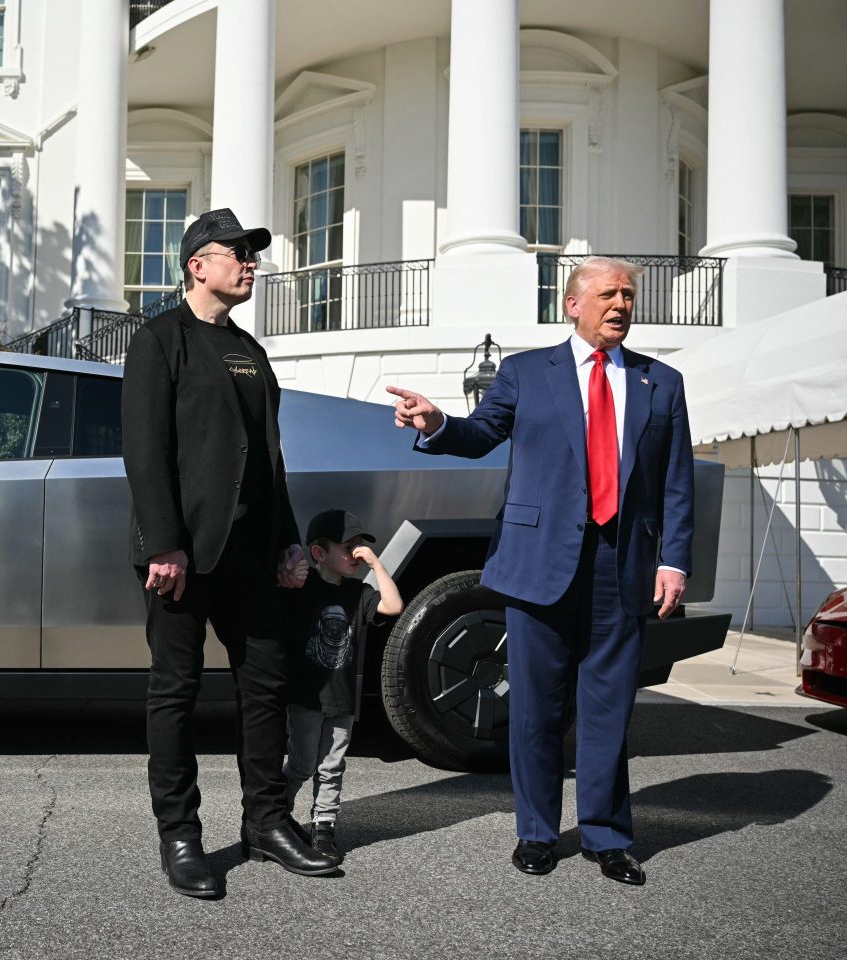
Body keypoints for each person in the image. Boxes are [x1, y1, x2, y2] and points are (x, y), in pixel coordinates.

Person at [385, 256, 694, 887]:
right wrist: (436, 421)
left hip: (621, 566)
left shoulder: (663, 383)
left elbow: (676, 482)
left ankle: (608, 837)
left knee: (608, 710)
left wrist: (673, 560)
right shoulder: (527, 373)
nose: (621, 305)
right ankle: (536, 833)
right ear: (572, 304)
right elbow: (478, 434)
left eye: (629, 296)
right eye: (608, 294)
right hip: (538, 562)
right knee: (535, 709)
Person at [123, 207, 337, 898]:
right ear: (197, 265)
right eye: (236, 252)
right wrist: (165, 544)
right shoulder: (160, 341)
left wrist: (290, 540)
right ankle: (180, 835)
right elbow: (145, 450)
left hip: (253, 555)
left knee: (266, 688)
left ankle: (266, 822)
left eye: (252, 254)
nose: (250, 263)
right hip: (183, 556)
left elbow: (270, 458)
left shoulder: (250, 351)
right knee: (175, 693)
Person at [281, 509, 403, 865]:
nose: (357, 553)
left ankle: (324, 828)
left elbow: (394, 605)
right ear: (319, 553)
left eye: (360, 546)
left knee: (332, 767)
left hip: (342, 698)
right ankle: (276, 814)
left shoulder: (359, 593)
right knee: (302, 765)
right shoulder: (304, 589)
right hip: (306, 697)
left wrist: (376, 564)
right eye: (348, 547)